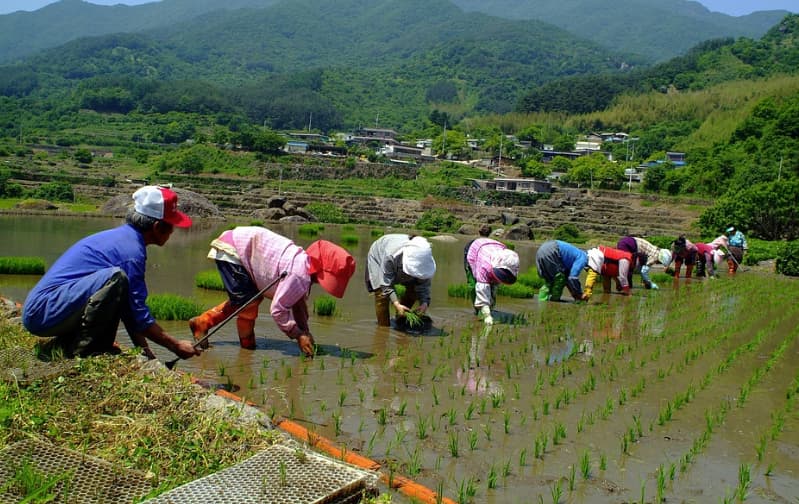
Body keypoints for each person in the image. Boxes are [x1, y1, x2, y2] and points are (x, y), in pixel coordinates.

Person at [22, 186, 201, 361]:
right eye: (171, 226)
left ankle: (85, 343)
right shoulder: (131, 254)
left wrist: (146, 353)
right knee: (115, 277)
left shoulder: (123, 239)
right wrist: (175, 345)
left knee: (117, 282)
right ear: (156, 227)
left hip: (45, 311)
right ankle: (90, 350)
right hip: (42, 315)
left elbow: (130, 311)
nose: (173, 231)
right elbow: (139, 316)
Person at [189, 226, 355, 357]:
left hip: (241, 245)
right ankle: (240, 344)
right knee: (249, 302)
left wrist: (305, 331)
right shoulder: (299, 274)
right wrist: (297, 335)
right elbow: (277, 310)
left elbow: (298, 304)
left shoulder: (303, 266)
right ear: (321, 271)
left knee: (247, 300)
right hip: (234, 250)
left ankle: (220, 331)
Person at [365, 234, 436, 327]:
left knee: (414, 291)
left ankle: (401, 319)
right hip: (379, 254)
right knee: (381, 294)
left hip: (399, 259)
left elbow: (423, 286)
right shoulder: (390, 256)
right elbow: (386, 284)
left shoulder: (424, 260)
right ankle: (383, 327)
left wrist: (424, 303)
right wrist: (396, 303)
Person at [464, 237, 520, 324]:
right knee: (473, 285)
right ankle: (479, 311)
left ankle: (489, 308)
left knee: (492, 286)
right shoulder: (485, 266)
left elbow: (495, 284)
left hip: (492, 247)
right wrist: (487, 315)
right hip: (474, 249)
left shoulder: (511, 260)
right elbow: (482, 288)